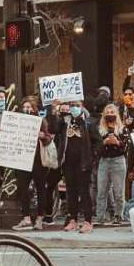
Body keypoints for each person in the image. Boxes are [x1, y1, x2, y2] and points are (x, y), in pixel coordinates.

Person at [13, 100, 59, 231]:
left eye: (28, 107)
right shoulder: (18, 122)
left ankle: (39, 218)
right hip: (23, 160)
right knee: (22, 188)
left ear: (34, 109)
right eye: (24, 106)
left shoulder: (40, 121)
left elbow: (49, 138)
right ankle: (26, 218)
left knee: (40, 189)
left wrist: (43, 136)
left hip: (38, 161)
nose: (26, 109)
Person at [57, 99, 101, 233]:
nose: (74, 108)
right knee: (71, 192)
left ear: (82, 107)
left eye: (77, 106)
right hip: (68, 162)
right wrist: (54, 109)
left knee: (84, 192)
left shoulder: (89, 123)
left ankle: (87, 221)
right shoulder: (64, 122)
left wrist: (92, 158)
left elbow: (98, 142)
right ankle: (73, 220)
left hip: (83, 163)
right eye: (72, 106)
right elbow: (54, 132)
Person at [94, 103, 127, 226]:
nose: (110, 115)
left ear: (116, 114)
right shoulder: (100, 129)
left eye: (112, 113)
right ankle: (100, 217)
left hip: (118, 160)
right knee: (102, 190)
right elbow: (96, 148)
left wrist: (118, 143)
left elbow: (127, 148)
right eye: (107, 113)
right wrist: (104, 143)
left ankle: (119, 215)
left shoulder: (123, 129)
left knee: (119, 191)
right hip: (104, 161)